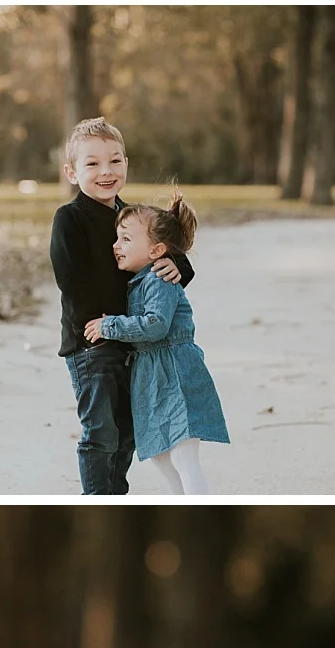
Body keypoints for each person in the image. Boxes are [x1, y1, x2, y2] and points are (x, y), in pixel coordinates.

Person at [49, 117, 191, 498]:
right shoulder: (70, 219)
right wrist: (97, 329)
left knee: (128, 430)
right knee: (102, 431)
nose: (106, 171)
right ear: (72, 172)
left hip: (133, 342)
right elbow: (71, 280)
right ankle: (97, 497)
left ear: (126, 164)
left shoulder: (135, 219)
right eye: (92, 164)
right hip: (92, 344)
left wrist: (177, 266)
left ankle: (115, 494)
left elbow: (169, 253)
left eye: (114, 161)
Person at [84, 192, 230, 494]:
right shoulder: (142, 278)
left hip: (175, 373)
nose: (115, 245)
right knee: (162, 455)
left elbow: (156, 325)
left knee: (182, 453)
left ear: (156, 250)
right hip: (152, 376)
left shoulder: (160, 277)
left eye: (125, 239)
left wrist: (109, 325)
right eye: (117, 238)